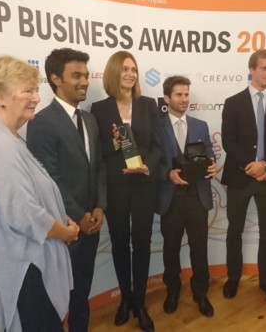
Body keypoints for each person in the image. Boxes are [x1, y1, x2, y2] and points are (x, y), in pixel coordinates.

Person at [0, 55, 79, 331]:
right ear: (0, 96)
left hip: (23, 264)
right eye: (27, 90)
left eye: (35, 90)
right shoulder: (0, 144)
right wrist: (66, 232)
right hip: (25, 270)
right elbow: (24, 214)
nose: (36, 98)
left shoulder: (2, 136)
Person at [26, 48, 106, 332]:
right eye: (77, 75)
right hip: (63, 229)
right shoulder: (42, 122)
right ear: (56, 79)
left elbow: (98, 167)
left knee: (81, 294)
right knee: (56, 300)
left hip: (91, 226)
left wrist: (98, 208)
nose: (85, 81)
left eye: (85, 75)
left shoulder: (90, 120)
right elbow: (49, 178)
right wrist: (79, 215)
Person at [90, 51, 162, 332]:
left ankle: (141, 303)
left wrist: (147, 167)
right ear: (113, 73)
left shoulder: (148, 105)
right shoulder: (99, 109)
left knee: (142, 245)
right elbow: (100, 153)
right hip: (117, 187)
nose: (131, 74)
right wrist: (116, 145)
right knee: (120, 244)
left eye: (134, 68)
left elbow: (158, 146)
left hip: (144, 184)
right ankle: (125, 299)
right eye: (124, 69)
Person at [220, 49, 266, 304]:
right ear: (251, 69)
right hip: (240, 177)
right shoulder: (233, 102)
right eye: (264, 68)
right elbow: (229, 141)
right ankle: (233, 278)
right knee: (234, 232)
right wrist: (252, 167)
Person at [157, 76, 217, 318]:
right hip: (170, 199)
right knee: (170, 248)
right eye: (179, 95)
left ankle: (200, 293)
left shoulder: (200, 125)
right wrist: (167, 173)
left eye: (186, 94)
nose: (184, 99)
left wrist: (212, 165)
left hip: (197, 197)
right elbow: (152, 161)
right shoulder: (155, 127)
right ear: (167, 98)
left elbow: (209, 153)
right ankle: (172, 291)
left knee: (199, 249)